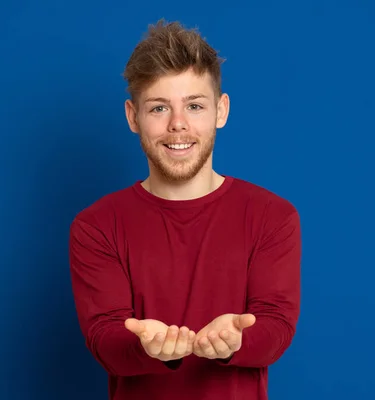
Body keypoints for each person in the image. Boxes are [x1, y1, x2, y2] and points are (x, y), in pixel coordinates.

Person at [68, 19, 301, 400]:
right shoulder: (96, 226)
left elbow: (276, 327)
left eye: (194, 105)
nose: (178, 125)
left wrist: (235, 341)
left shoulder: (272, 217)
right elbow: (104, 340)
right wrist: (147, 347)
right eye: (159, 108)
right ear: (133, 117)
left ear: (220, 111)